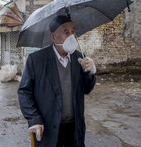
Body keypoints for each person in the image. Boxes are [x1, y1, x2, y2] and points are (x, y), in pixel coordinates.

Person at [18, 15, 96, 147]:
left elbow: (86, 89)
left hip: (74, 128)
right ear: (54, 37)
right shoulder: (36, 60)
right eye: (66, 32)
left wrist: (91, 72)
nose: (72, 36)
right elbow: (24, 92)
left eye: (73, 31)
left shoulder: (79, 58)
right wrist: (34, 118)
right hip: (48, 128)